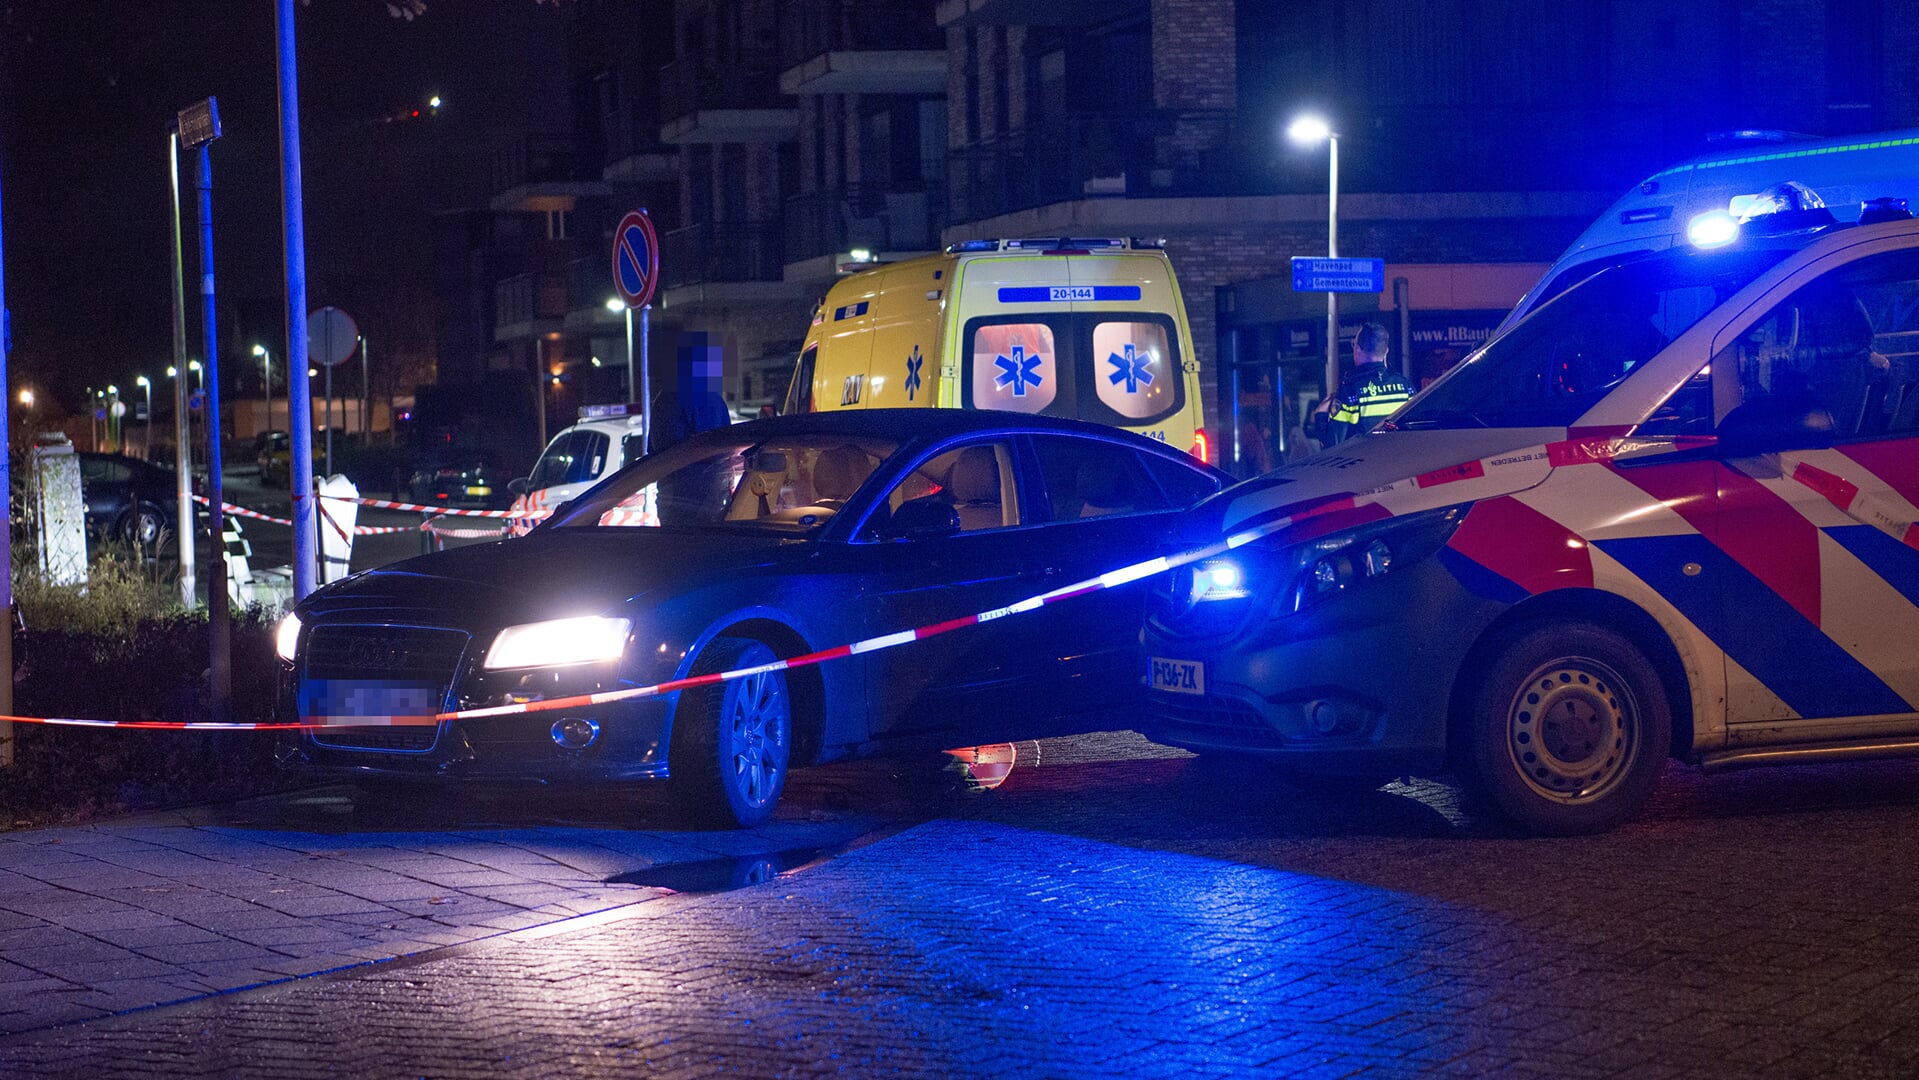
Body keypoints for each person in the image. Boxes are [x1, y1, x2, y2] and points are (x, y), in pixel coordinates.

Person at [1324, 323, 1414, 444]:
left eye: (1354, 344)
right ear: (1386, 351)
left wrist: (1320, 416)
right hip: (1400, 459)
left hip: (1366, 461)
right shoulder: (1405, 387)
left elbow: (1333, 443)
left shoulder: (1350, 390)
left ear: (1357, 349)